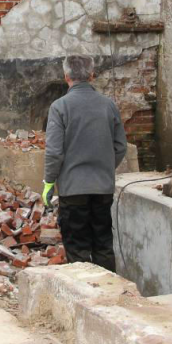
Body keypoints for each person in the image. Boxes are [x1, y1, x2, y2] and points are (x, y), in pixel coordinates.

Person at [42, 55, 127, 272]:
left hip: (73, 190)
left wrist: (49, 182)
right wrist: (104, 168)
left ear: (66, 76)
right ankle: (110, 296)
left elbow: (54, 152)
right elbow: (120, 147)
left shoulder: (59, 107)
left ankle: (85, 297)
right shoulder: (108, 105)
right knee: (103, 244)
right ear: (91, 75)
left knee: (78, 248)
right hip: (103, 189)